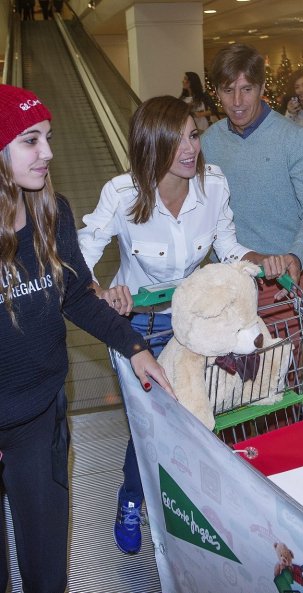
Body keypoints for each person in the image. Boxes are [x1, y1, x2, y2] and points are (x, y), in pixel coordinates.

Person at [78, 95, 287, 555]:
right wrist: (103, 293)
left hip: (193, 321)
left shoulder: (213, 185)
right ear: (152, 147)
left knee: (193, 416)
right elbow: (78, 263)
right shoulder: (123, 193)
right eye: (177, 141)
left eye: (193, 135)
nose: (191, 148)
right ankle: (132, 498)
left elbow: (229, 247)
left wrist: (262, 261)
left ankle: (188, 503)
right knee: (151, 421)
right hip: (137, 327)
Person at [0, 84, 172, 593]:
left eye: (47, 138)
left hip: (40, 417)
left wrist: (135, 346)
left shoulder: (53, 212)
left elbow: (75, 296)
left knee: (46, 569)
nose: (48, 152)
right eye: (31, 141)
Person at [201, 43, 303, 305]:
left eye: (246, 89)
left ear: (261, 88)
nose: (237, 102)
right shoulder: (208, 141)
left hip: (278, 280)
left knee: (281, 348)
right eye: (228, 91)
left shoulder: (291, 138)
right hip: (224, 282)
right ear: (217, 92)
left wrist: (296, 255)